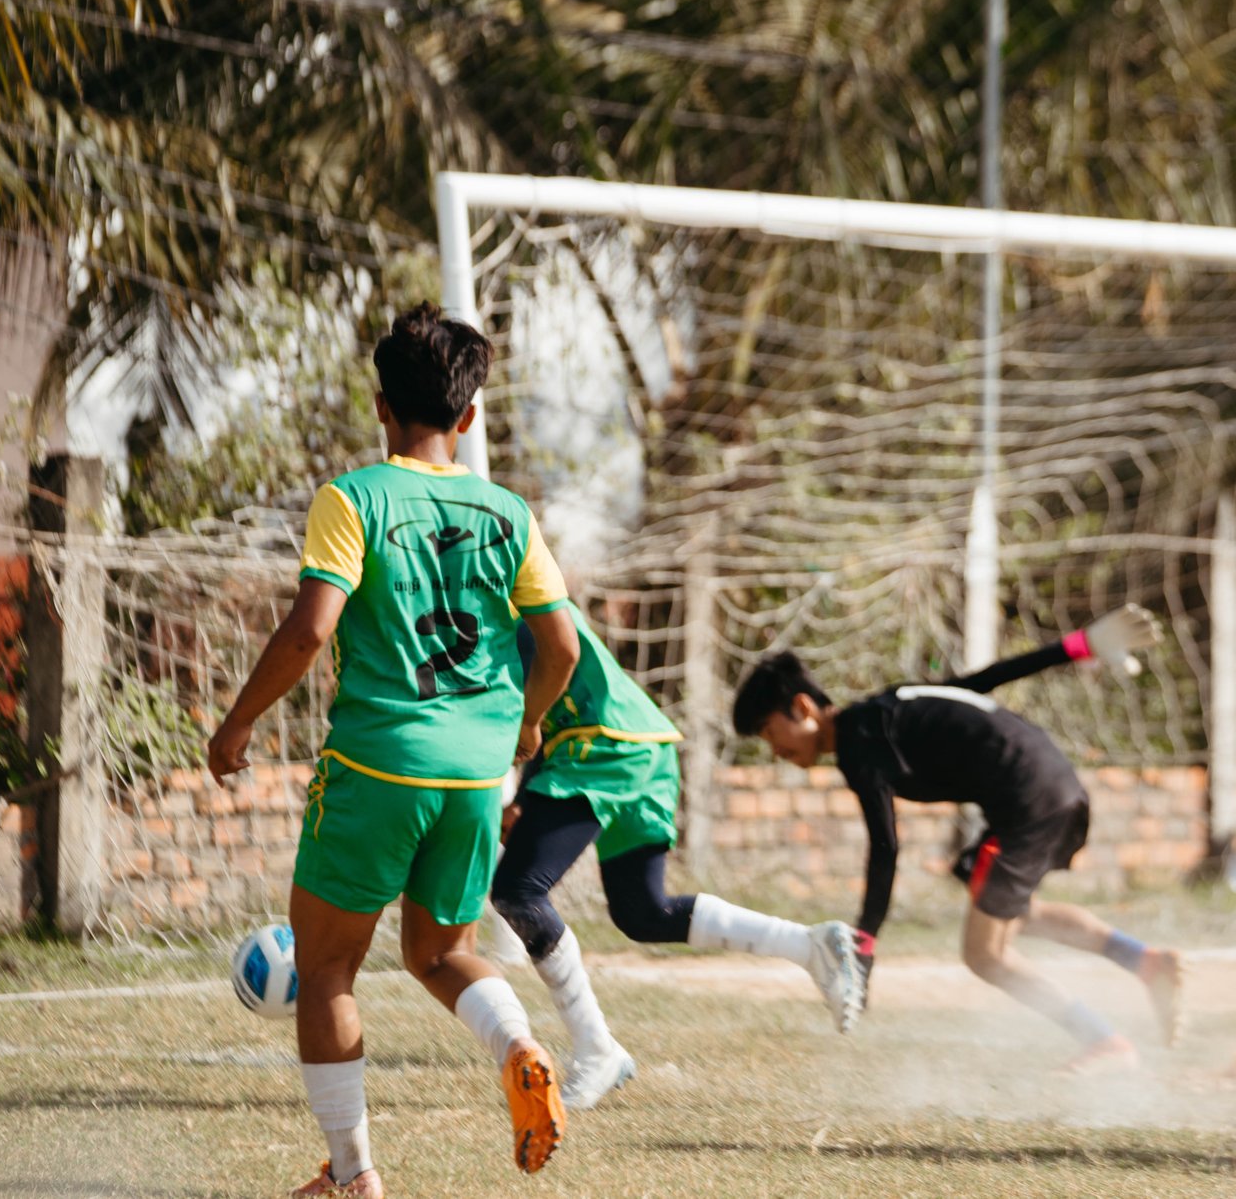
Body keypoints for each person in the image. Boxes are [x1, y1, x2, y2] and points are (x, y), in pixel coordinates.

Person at [209, 304, 582, 1196]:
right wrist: (526, 725)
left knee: (330, 963)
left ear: (381, 406)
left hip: (381, 761)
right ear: (471, 415)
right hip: (476, 771)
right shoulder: (508, 513)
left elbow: (309, 631)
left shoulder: (354, 498)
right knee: (437, 951)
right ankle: (521, 1045)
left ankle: (354, 1176)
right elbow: (562, 647)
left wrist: (237, 721)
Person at [730, 609, 1184, 1073]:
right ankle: (1144, 961)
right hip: (1056, 789)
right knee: (1006, 905)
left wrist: (864, 941)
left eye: (771, 733)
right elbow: (982, 681)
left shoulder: (858, 742)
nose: (775, 751)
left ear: (803, 709)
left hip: (1026, 802)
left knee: (984, 955)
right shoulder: (887, 707)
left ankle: (1105, 1042)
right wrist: (1074, 647)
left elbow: (885, 847)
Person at [488, 599, 870, 1111]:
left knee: (518, 890)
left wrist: (525, 792)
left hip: (602, 743)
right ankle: (808, 945)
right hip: (642, 742)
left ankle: (596, 1049)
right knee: (641, 913)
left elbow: (556, 670)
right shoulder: (493, 577)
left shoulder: (497, 584)